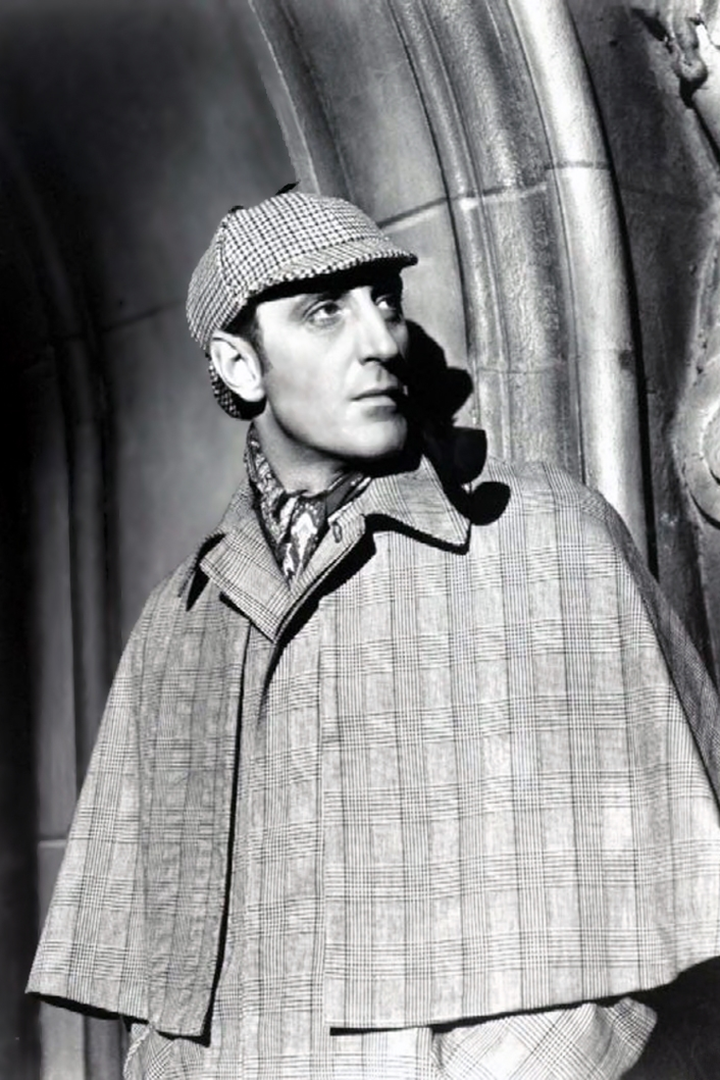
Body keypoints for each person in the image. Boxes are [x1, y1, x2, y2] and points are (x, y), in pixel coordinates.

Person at [27, 190, 720, 1079]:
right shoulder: (178, 622)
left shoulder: (547, 533)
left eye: (384, 300)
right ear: (241, 366)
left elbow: (676, 916)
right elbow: (151, 989)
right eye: (325, 311)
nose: (383, 341)